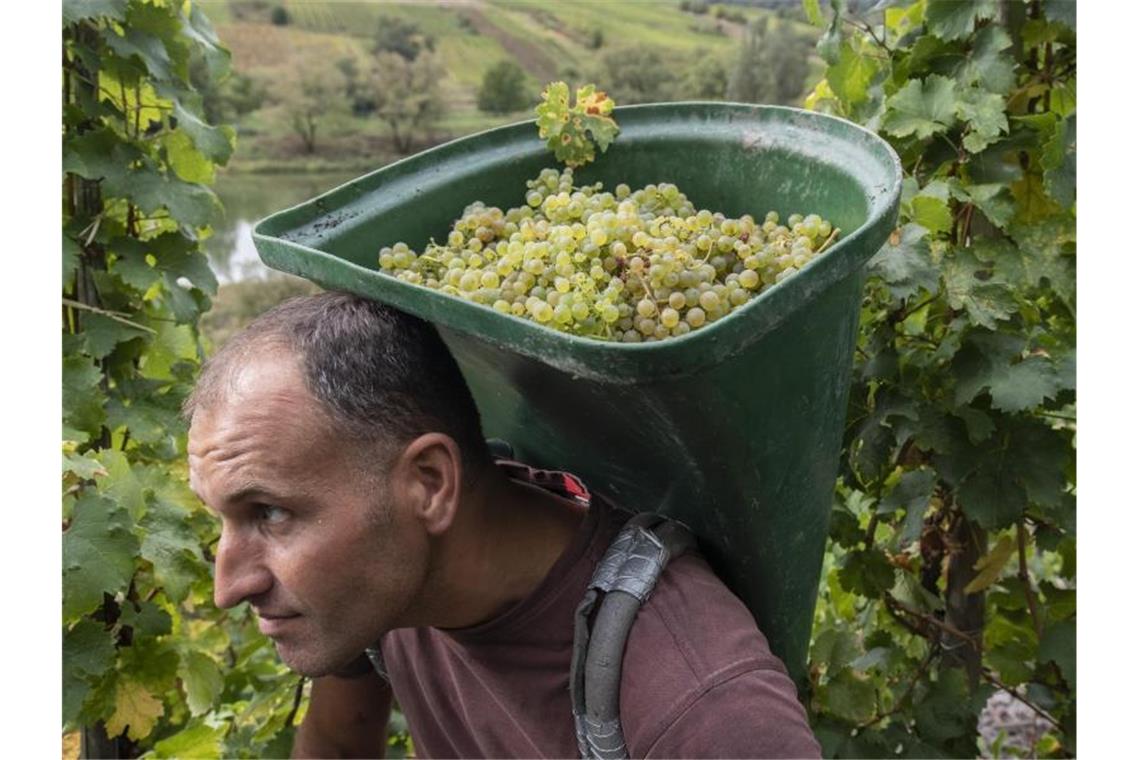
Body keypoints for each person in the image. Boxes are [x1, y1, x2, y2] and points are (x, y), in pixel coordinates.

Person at [185, 291, 821, 758]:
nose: (227, 586)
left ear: (430, 483)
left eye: (269, 513)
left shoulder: (706, 711)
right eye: (224, 519)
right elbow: (337, 744)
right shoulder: (377, 592)